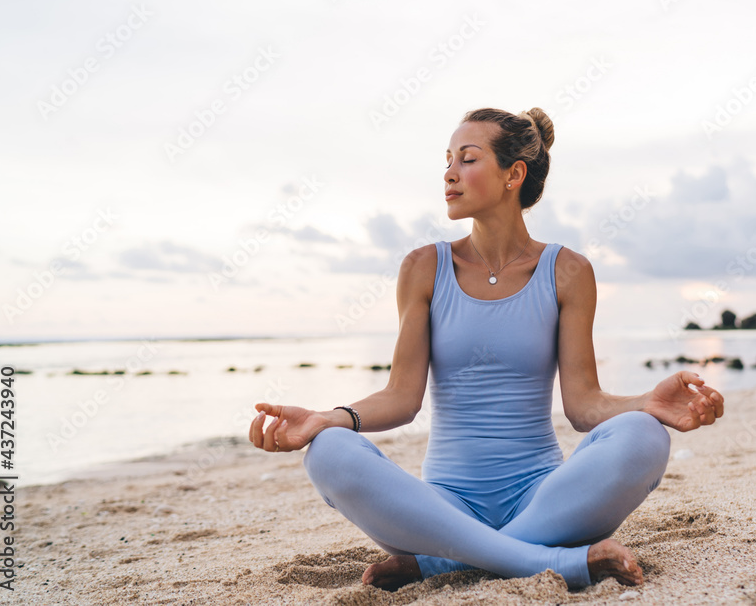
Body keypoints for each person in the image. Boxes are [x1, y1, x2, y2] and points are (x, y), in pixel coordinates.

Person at [247, 106, 725, 591]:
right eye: (448, 160)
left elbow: (584, 406)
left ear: (513, 174)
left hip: (545, 501)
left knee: (646, 436)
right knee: (327, 452)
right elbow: (401, 397)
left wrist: (649, 403)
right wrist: (329, 417)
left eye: (468, 160)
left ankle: (443, 564)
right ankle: (549, 561)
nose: (450, 174)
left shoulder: (568, 272)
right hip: (441, 510)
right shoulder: (423, 267)